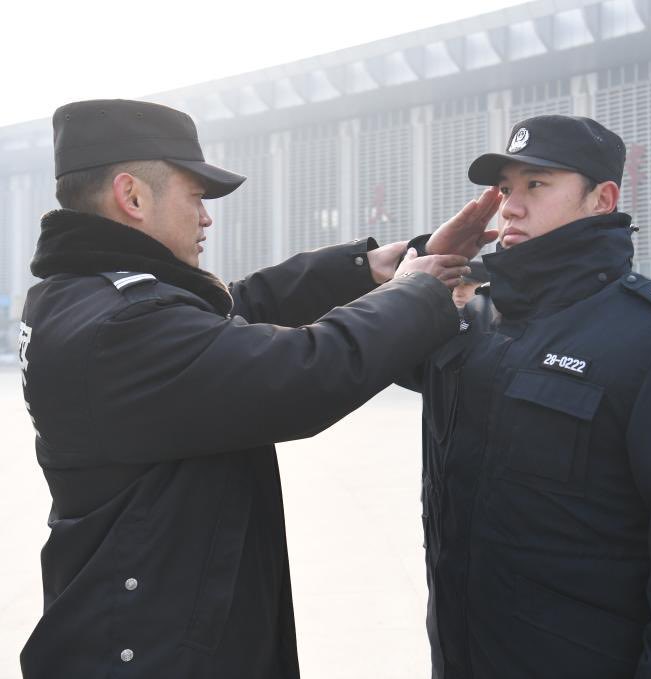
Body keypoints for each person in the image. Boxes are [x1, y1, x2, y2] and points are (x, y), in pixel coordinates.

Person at [18, 99, 498, 678]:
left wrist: (365, 269)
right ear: (133, 196)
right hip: (154, 651)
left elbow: (232, 308)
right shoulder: (121, 326)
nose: (206, 218)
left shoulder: (80, 295)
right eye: (195, 197)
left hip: (141, 617)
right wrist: (415, 296)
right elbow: (302, 372)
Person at [407, 115, 651, 678]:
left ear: (602, 198)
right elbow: (346, 353)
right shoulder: (474, 321)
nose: (510, 207)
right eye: (507, 188)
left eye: (537, 185)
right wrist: (420, 263)